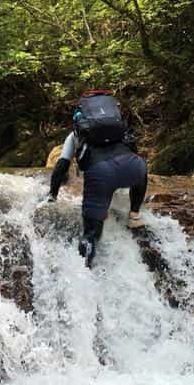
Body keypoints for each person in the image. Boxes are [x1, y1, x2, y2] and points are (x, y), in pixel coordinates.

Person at [48, 90, 148, 267]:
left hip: (100, 175)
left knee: (91, 235)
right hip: (135, 169)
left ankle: (85, 273)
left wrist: (51, 195)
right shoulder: (119, 129)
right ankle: (134, 215)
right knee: (137, 168)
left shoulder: (74, 136)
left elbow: (61, 166)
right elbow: (132, 154)